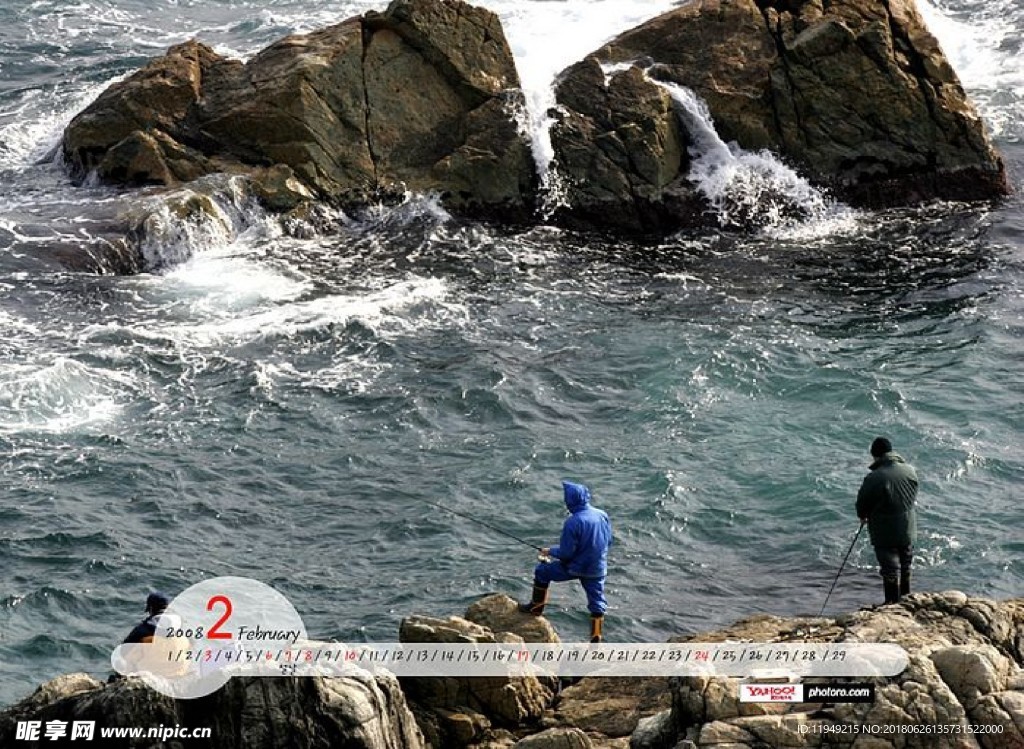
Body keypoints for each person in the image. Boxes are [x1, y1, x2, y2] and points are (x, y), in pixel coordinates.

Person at [519, 481, 612, 643]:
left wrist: (549, 551)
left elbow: (566, 553)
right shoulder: (602, 515)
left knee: (542, 571)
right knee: (597, 602)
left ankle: (535, 607)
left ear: (570, 501)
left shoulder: (573, 522)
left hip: (575, 567)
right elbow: (608, 541)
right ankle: (596, 638)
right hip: (597, 568)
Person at [856, 437, 918, 605]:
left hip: (884, 531)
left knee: (890, 569)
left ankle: (891, 604)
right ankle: (907, 601)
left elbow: (862, 502)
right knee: (906, 566)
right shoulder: (910, 470)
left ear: (875, 456)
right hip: (907, 527)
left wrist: (863, 515)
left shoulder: (874, 477)